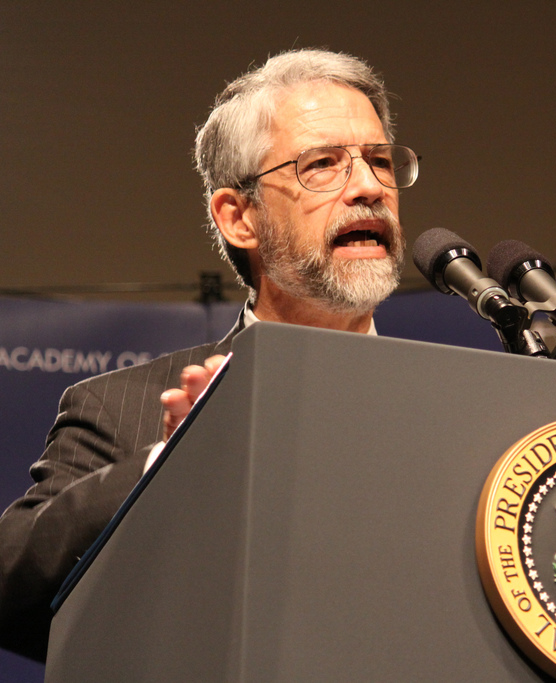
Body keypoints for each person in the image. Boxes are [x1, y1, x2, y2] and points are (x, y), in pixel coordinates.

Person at [0, 48, 418, 662]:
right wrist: (169, 470)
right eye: (323, 165)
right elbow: (12, 582)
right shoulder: (122, 409)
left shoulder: (457, 408)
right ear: (239, 217)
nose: (368, 188)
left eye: (379, 162)